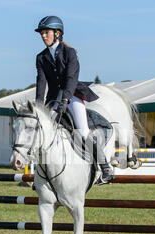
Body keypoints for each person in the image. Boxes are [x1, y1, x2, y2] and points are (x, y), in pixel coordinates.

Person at [34, 16, 114, 183]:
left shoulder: (69, 52)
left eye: (46, 32)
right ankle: (41, 175)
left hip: (72, 95)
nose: (43, 36)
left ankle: (105, 167)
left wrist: (65, 100)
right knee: (43, 131)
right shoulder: (41, 57)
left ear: (57, 33)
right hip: (53, 99)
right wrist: (39, 107)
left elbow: (71, 78)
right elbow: (41, 83)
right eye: (41, 33)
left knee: (83, 132)